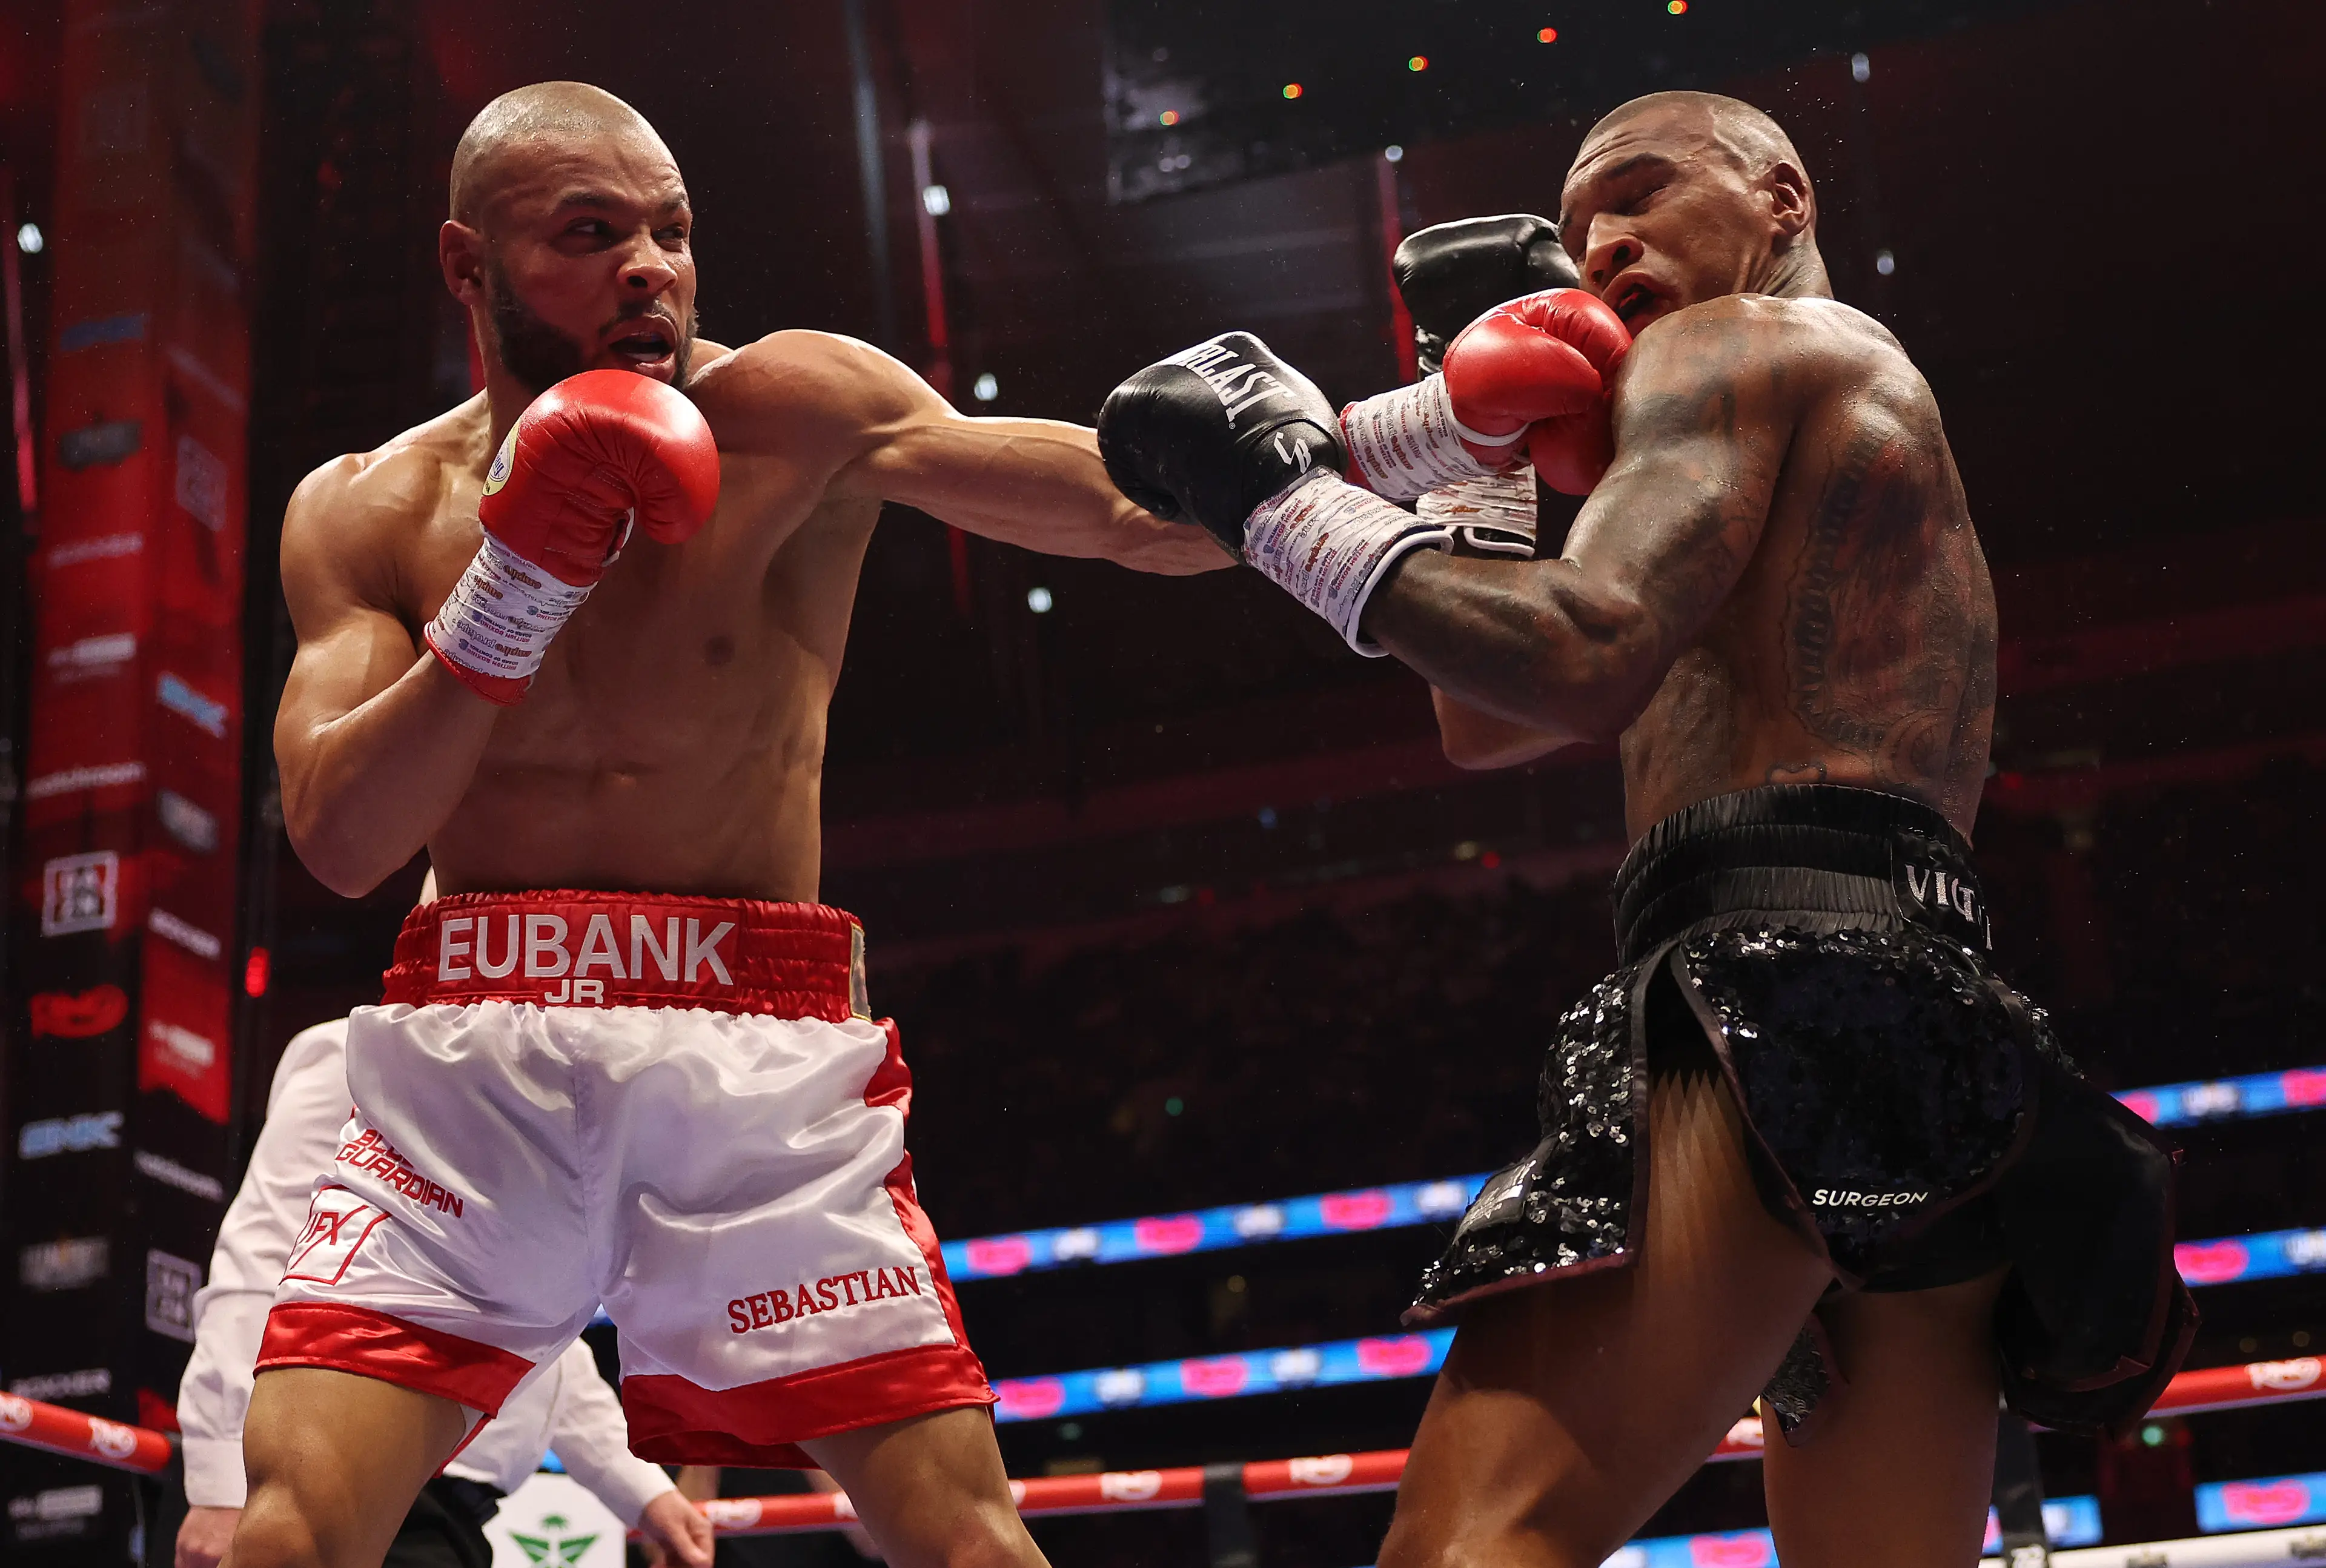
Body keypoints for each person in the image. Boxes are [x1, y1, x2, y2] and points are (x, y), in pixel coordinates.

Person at [1096, 90, 2192, 1566]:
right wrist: (1475, 442)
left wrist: (1278, 497)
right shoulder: (1808, 415)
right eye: (1576, 224)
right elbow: (1490, 718)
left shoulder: (1732, 342)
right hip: (1920, 1019)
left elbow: (1573, 648)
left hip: (1770, 984)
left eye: (1641, 187)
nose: (1602, 236)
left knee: (1470, 1541)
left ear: (1780, 199)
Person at [233, 79, 1223, 1568]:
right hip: (473, 1058)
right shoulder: (365, 510)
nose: (651, 266)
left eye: (671, 231)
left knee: (957, 1528)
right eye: (591, 231)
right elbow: (341, 835)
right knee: (294, 1524)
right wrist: (512, 590)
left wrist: (1407, 457)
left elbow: (1128, 514)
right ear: (467, 267)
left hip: (750, 1047)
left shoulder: (795, 407)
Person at [176, 1017, 711, 1568]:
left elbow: (538, 1330)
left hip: (454, 1511)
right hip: (362, 1472)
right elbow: (262, 1252)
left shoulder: (545, 1085)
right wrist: (221, 1481)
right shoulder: (363, 1053)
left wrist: (644, 1491)